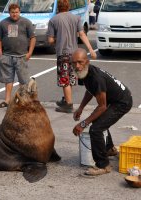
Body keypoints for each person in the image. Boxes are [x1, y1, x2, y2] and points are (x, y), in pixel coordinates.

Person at [72, 48, 133, 176]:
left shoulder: (96, 77)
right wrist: (81, 107)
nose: (77, 66)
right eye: (74, 63)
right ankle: (109, 149)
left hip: (122, 102)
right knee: (100, 121)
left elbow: (102, 107)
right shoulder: (84, 72)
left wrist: (83, 124)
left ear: (87, 62)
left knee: (95, 129)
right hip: (114, 100)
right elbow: (90, 90)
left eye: (80, 62)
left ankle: (103, 165)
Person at [47, 0, 97, 113]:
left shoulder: (53, 20)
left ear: (58, 7)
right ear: (68, 7)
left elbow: (50, 40)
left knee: (65, 80)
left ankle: (68, 105)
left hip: (62, 53)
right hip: (75, 54)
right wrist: (90, 49)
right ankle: (66, 99)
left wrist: (57, 38)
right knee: (70, 78)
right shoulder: (76, 18)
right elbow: (82, 34)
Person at [0, 3, 36, 108]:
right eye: (12, 12)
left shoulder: (26, 22)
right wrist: (0, 54)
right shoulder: (3, 24)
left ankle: (23, 100)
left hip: (21, 56)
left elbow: (32, 38)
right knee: (8, 80)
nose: (14, 14)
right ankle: (7, 100)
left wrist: (30, 52)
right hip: (7, 56)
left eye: (16, 12)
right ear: (9, 12)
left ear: (19, 12)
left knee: (23, 80)